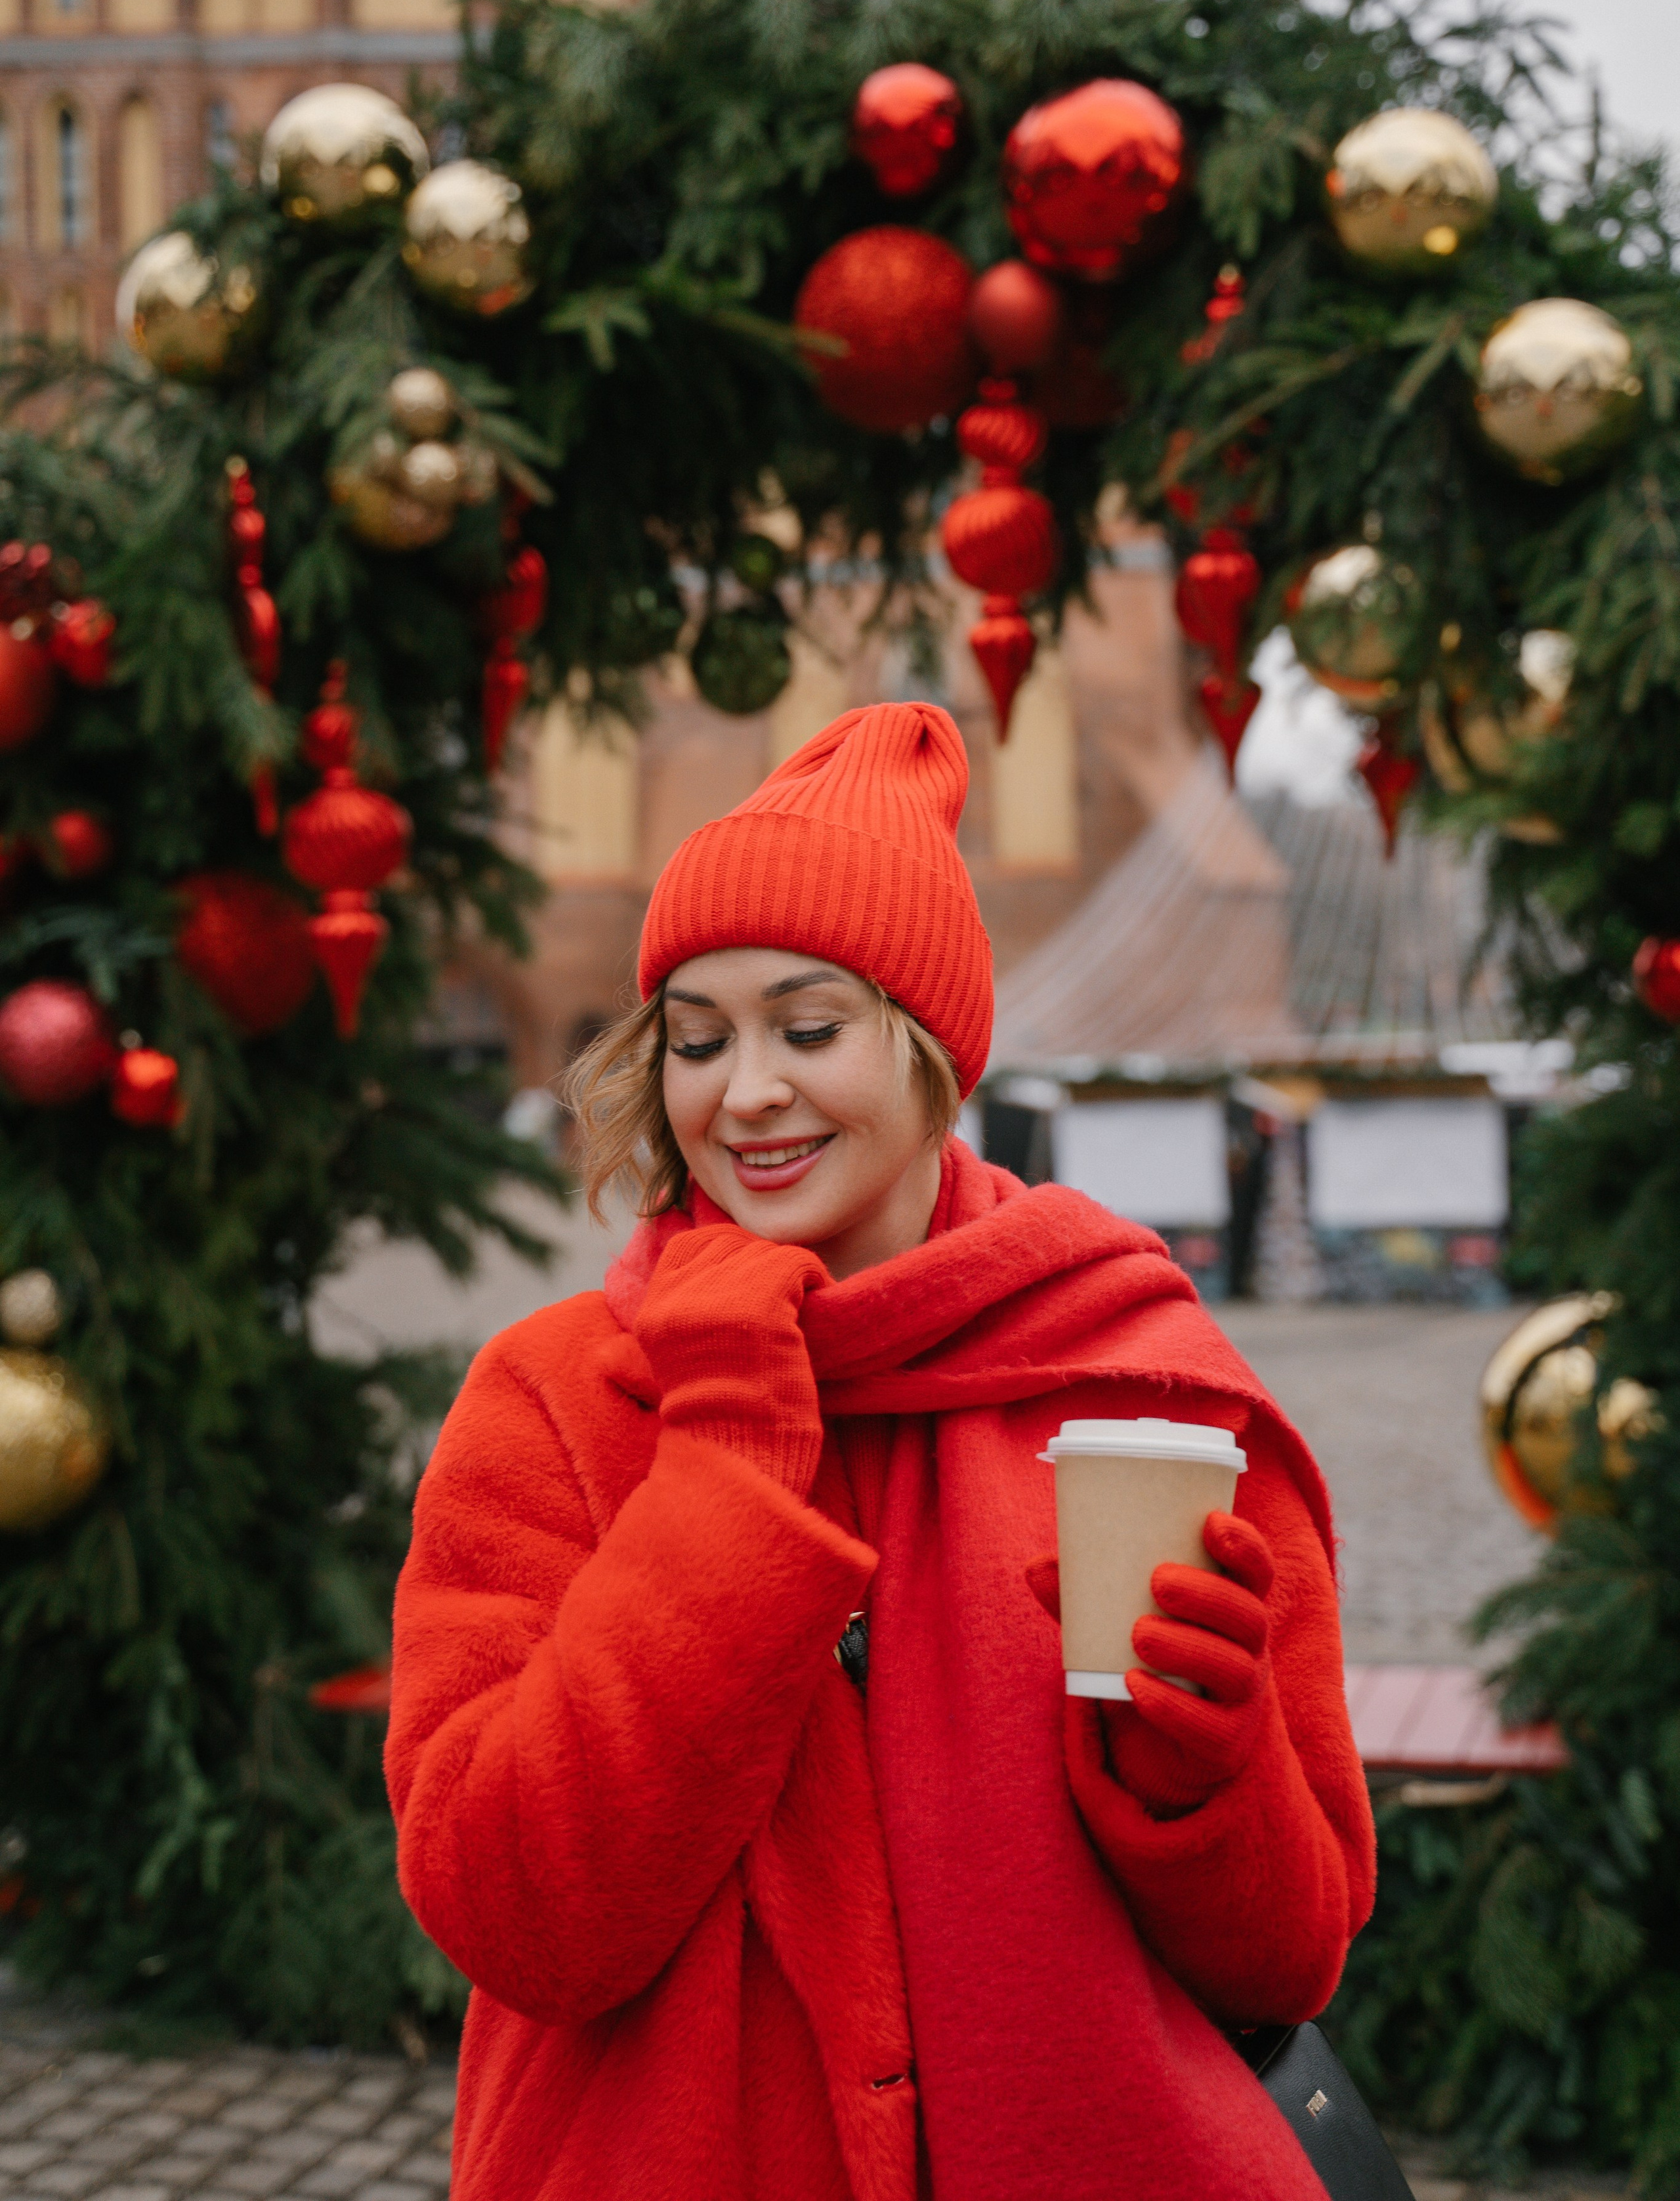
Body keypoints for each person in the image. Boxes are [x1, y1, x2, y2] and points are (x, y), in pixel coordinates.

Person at [386, 702, 1375, 2201]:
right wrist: (722, 1458)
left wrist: (1203, 1771)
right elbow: (517, 1916)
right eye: (697, 1041)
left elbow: (1289, 1952)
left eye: (808, 1026)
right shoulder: (557, 1402)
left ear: (929, 1051)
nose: (746, 1093)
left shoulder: (1149, 1391)